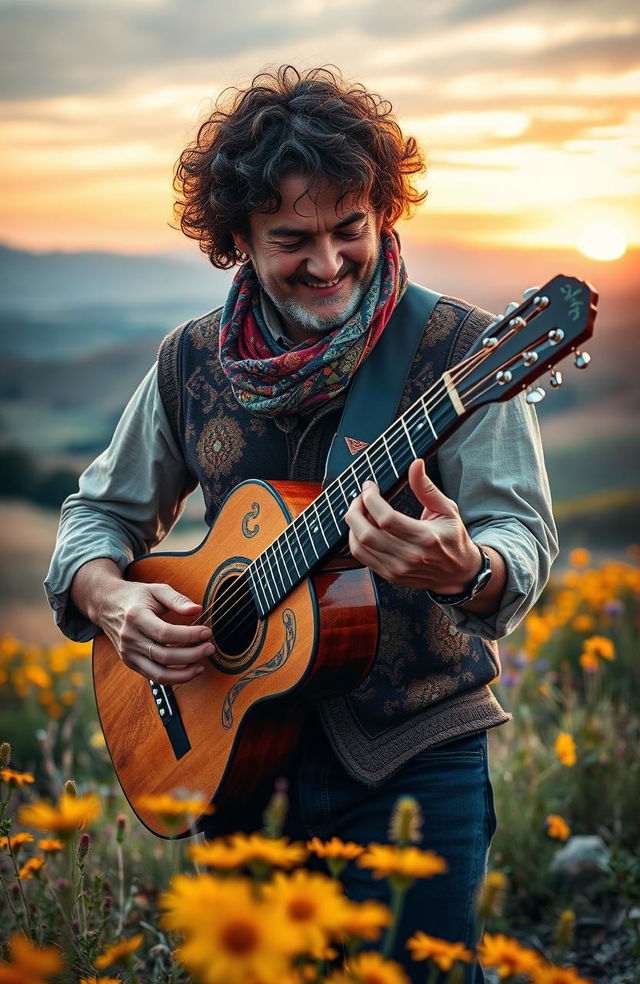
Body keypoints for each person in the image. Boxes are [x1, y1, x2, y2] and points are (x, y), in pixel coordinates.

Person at [45, 65, 557, 982]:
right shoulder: (191, 362)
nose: (327, 264)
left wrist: (467, 567)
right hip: (232, 761)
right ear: (236, 238)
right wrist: (112, 598)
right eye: (292, 239)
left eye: (349, 229)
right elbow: (98, 517)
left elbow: (518, 536)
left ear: (383, 214)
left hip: (414, 755)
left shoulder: (467, 355)